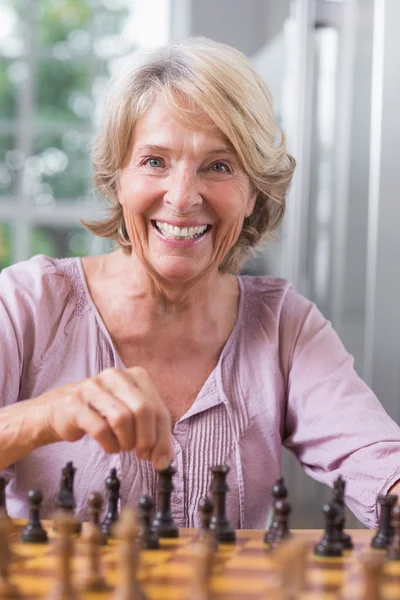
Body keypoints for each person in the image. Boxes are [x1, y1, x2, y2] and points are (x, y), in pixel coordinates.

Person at [1, 37, 400, 529]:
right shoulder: (26, 304)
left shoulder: (284, 326)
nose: (183, 196)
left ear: (253, 192)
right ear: (116, 178)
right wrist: (41, 415)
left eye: (219, 166)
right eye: (154, 161)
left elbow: (378, 463)